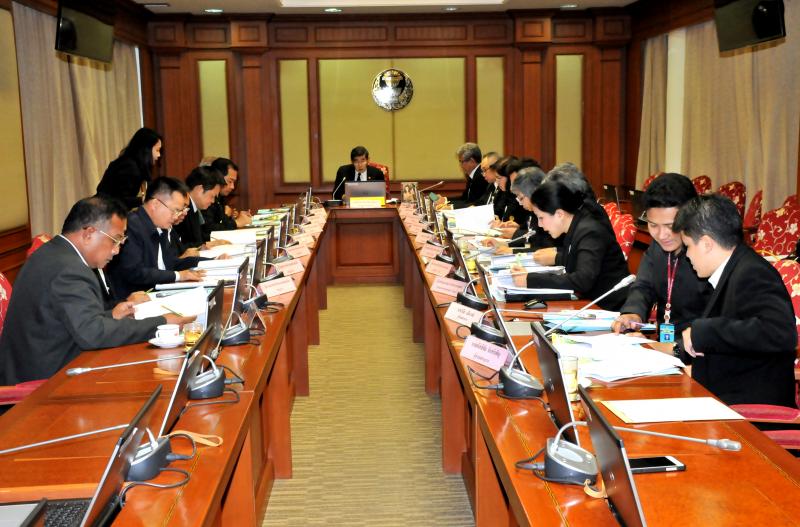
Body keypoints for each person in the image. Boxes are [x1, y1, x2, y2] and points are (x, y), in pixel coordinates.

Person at [0, 196, 192, 385]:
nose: (116, 250)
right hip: (43, 382)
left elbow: (74, 321)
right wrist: (162, 323)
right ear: (89, 234)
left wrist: (111, 315)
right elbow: (92, 334)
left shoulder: (55, 253)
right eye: (115, 240)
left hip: (46, 364)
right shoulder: (69, 269)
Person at [673, 194, 797, 406]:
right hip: (727, 392)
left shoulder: (752, 272)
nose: (687, 255)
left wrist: (704, 331)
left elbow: (780, 333)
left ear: (706, 244)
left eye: (688, 247)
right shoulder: (732, 268)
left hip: (753, 407)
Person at [612, 174, 711, 343]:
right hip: (664, 343)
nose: (661, 235)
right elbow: (643, 286)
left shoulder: (709, 254)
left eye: (670, 226)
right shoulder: (657, 247)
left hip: (697, 348)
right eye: (653, 225)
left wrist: (674, 348)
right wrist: (633, 313)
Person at [511, 180, 630, 310]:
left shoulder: (589, 232)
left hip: (609, 308)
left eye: (541, 218)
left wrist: (531, 279)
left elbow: (582, 280)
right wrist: (530, 275)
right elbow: (573, 261)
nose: (539, 224)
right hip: (588, 301)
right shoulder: (576, 224)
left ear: (559, 214)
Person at [106, 177, 207, 299]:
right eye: (175, 211)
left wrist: (212, 261)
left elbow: (171, 263)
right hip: (135, 300)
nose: (176, 217)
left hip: (159, 293)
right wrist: (178, 276)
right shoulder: (131, 226)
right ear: (155, 204)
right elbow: (135, 272)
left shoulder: (159, 225)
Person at [96, 128, 162, 211]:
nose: (159, 155)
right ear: (146, 149)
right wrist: (144, 200)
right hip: (103, 212)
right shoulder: (129, 167)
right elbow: (119, 200)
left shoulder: (131, 163)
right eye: (157, 150)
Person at [173, 166, 226, 249]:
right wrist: (205, 245)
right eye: (212, 196)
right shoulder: (181, 209)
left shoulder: (194, 207)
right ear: (200, 189)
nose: (213, 201)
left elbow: (197, 239)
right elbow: (177, 247)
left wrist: (210, 242)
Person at [202, 158, 252, 235]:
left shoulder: (220, 197)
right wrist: (237, 222)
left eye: (234, 182)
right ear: (218, 177)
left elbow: (221, 222)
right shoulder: (206, 197)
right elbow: (208, 230)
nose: (232, 187)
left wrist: (238, 218)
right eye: (230, 181)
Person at [450, 143, 489, 208]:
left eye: (461, 161)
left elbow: (474, 203)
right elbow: (464, 198)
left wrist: (450, 206)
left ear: (472, 161)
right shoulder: (472, 175)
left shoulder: (481, 177)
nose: (460, 165)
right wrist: (445, 200)